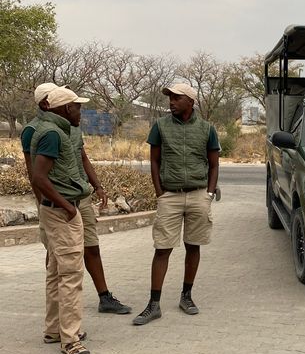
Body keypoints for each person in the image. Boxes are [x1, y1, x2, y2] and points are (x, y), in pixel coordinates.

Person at [21, 82, 132, 315]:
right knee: (57, 257)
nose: (72, 107)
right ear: (46, 103)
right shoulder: (35, 130)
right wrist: (47, 205)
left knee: (91, 246)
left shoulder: (71, 126)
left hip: (78, 198)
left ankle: (105, 297)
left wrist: (98, 186)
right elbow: (35, 174)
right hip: (56, 201)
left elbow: (82, 157)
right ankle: (61, 312)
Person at [132, 83, 220, 326]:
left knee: (193, 246)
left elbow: (214, 164)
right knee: (162, 248)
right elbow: (154, 161)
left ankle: (186, 296)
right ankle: (153, 304)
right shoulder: (160, 126)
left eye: (176, 98)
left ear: (190, 102)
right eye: (170, 97)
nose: (171, 102)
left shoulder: (207, 129)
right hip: (169, 196)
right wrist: (160, 193)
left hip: (198, 195)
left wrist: (209, 194)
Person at [30, 87, 93, 354]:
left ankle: (53, 329)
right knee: (71, 275)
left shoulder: (53, 130)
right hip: (61, 212)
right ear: (67, 108)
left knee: (57, 271)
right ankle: (70, 339)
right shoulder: (54, 134)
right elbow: (39, 178)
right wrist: (68, 207)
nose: (81, 111)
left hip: (56, 210)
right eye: (77, 106)